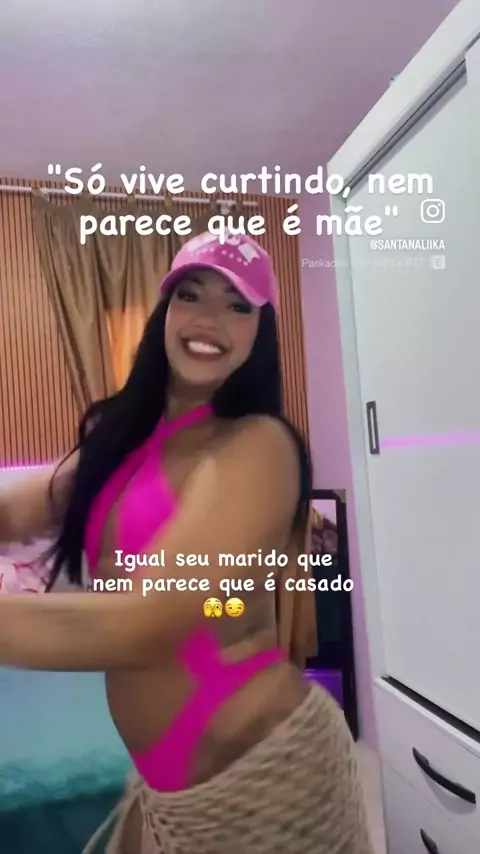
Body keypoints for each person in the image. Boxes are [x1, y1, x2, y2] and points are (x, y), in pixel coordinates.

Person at [0, 230, 373, 853]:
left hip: (267, 778)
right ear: (166, 311)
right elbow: (18, 507)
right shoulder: (121, 442)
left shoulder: (259, 446)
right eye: (191, 295)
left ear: (260, 332)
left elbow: (148, 622)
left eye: (237, 305)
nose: (208, 320)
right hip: (166, 792)